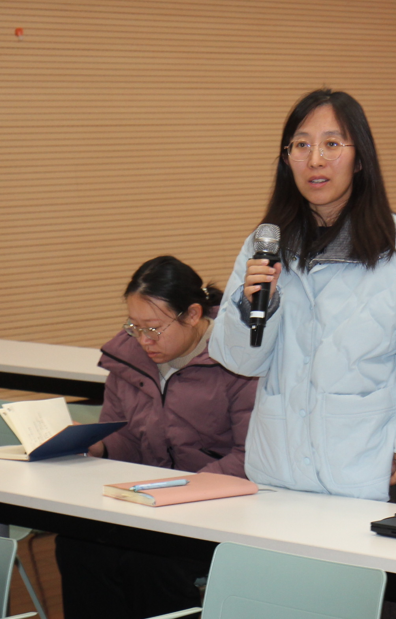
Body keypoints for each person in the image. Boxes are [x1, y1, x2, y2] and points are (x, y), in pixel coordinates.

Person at [210, 88, 396, 504]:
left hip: (368, 478)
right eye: (301, 145)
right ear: (286, 159)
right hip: (277, 478)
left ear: (360, 158)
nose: (315, 159)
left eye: (332, 144)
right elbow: (240, 361)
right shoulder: (264, 246)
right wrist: (253, 307)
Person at [55, 256, 256, 619]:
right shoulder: (127, 360)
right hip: (149, 506)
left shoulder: (239, 361)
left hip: (217, 510)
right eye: (134, 326)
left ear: (193, 314)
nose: (143, 340)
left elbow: (250, 455)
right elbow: (126, 437)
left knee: (149, 564)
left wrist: (184, 489)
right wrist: (97, 445)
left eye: (154, 328)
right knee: (78, 547)